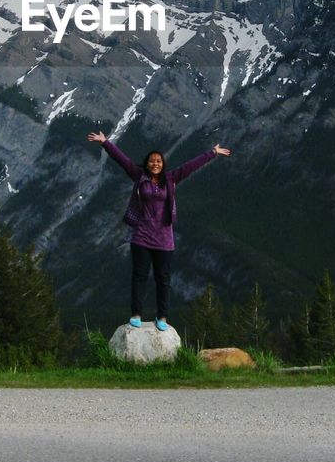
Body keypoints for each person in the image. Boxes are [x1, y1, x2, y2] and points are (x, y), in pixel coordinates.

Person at [86, 131, 231, 332]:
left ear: (163, 164)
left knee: (163, 279)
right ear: (147, 164)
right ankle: (136, 314)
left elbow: (190, 166)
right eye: (152, 161)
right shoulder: (139, 176)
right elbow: (122, 159)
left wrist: (212, 153)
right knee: (139, 277)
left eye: (159, 161)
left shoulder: (171, 179)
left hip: (164, 239)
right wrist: (105, 143)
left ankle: (162, 316)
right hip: (141, 237)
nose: (156, 163)